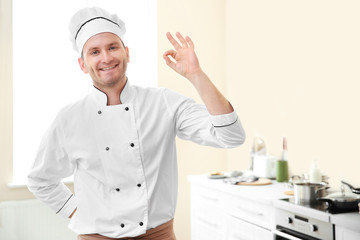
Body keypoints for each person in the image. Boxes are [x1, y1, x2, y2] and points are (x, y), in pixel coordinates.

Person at [27, 6, 245, 240]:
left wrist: (196, 74)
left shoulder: (164, 102)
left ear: (127, 53)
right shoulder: (69, 118)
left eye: (112, 47)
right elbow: (40, 179)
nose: (106, 58)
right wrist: (78, 212)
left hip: (157, 235)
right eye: (94, 52)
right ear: (82, 64)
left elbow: (231, 136)